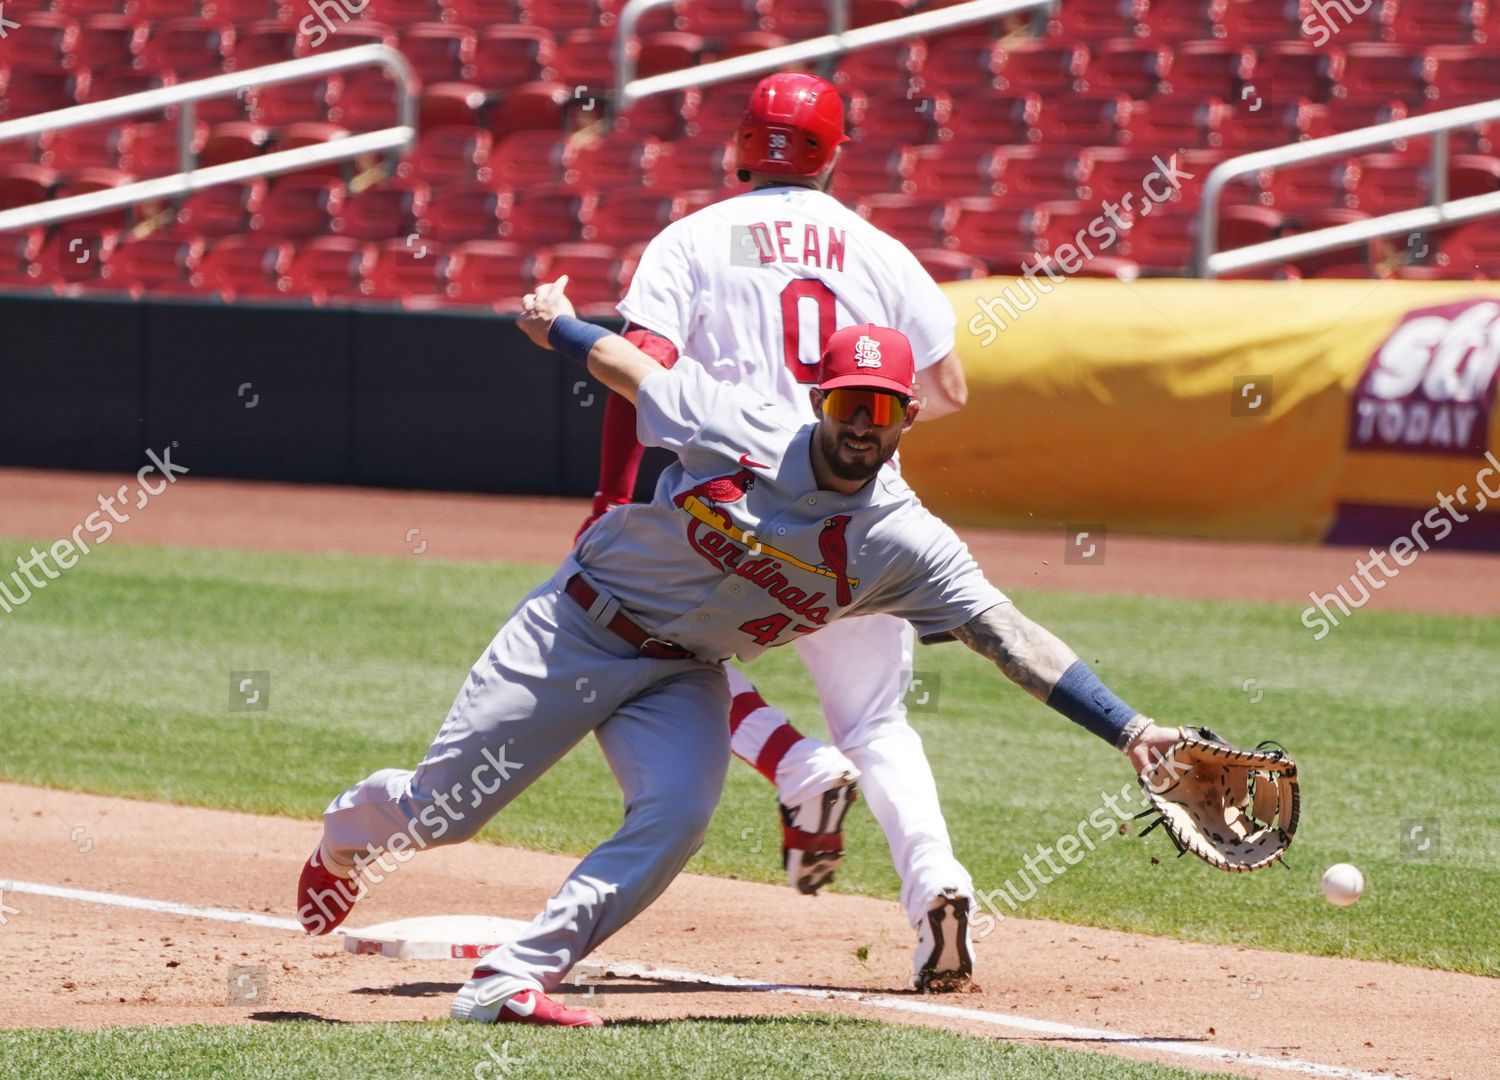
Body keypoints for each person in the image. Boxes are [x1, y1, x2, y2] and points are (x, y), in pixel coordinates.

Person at [295, 279, 1181, 1027]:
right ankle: (345, 840)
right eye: (847, 403)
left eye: (881, 409)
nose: (862, 424)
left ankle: (511, 977)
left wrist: (1131, 730)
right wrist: (556, 322)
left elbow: (1010, 635)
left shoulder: (909, 544)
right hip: (577, 627)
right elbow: (631, 370)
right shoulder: (743, 427)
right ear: (818, 403)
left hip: (683, 672)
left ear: (909, 417)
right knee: (444, 813)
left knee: (675, 815)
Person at [580, 71, 978, 977]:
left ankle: (797, 766)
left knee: (658, 666)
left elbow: (634, 365)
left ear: (739, 147)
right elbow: (949, 389)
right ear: (835, 155)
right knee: (877, 721)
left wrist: (611, 495)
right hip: (862, 516)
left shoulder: (690, 238)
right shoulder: (880, 250)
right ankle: (937, 885)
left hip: (730, 512)